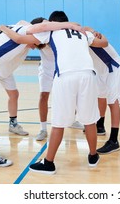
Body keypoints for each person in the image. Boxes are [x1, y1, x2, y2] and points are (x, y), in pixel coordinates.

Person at [0, 11, 108, 174]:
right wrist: (94, 31)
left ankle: (49, 163)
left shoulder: (50, 31)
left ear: (53, 22)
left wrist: (4, 28)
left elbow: (20, 39)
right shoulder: (81, 32)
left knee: (58, 123)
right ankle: (93, 156)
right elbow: (104, 43)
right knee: (89, 120)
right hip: (88, 75)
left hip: (65, 75)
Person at [0, 18, 81, 167]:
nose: (35, 46)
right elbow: (43, 25)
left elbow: (25, 22)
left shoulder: (15, 27)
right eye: (36, 42)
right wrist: (69, 25)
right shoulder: (23, 31)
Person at [35, 12, 84, 142]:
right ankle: (43, 128)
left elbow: (78, 26)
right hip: (46, 70)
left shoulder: (63, 33)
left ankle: (72, 120)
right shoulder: (43, 32)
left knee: (71, 94)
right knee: (43, 96)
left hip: (62, 69)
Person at [85, 28, 120, 154]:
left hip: (112, 66)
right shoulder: (74, 36)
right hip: (100, 68)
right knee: (100, 95)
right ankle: (100, 126)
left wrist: (93, 31)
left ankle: (114, 140)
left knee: (112, 101)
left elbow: (103, 42)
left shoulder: (85, 36)